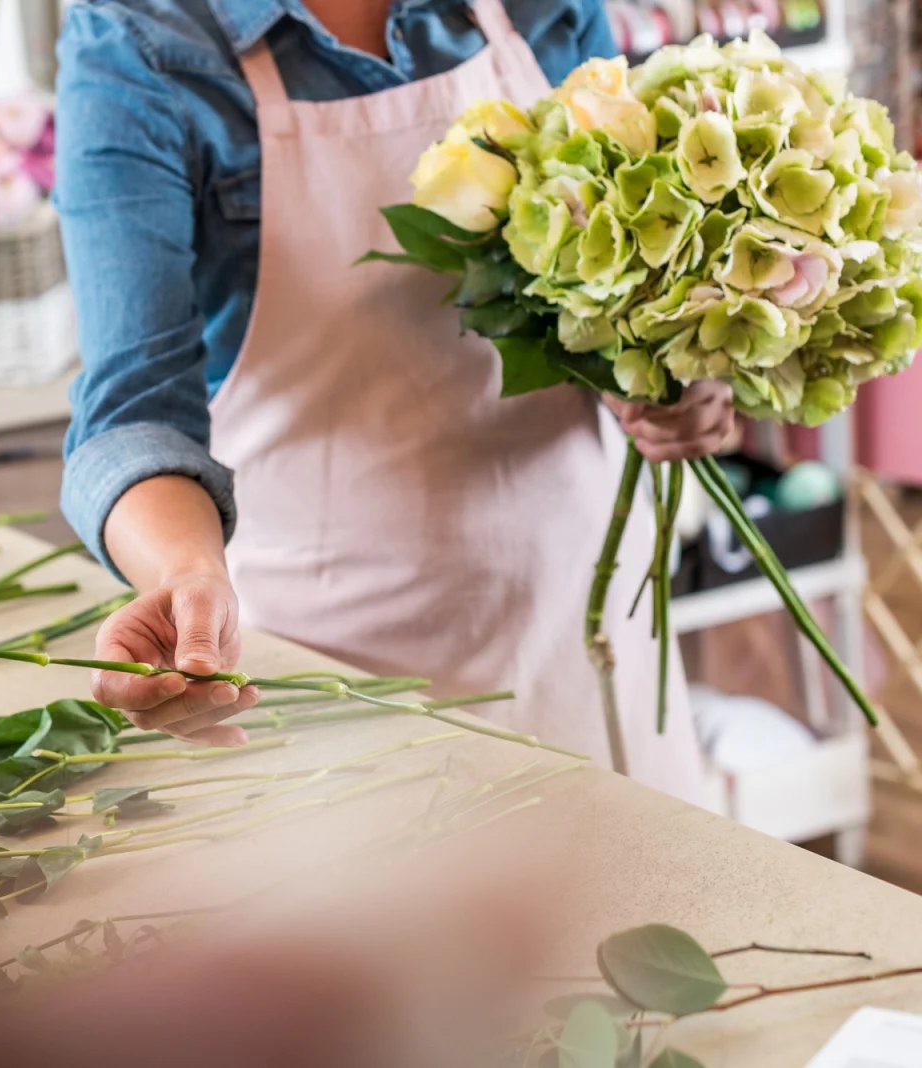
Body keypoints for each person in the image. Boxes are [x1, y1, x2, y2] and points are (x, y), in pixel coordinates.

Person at [55, 0, 733, 799]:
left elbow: (616, 274)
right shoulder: (145, 39)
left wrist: (675, 368)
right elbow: (132, 410)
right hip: (335, 679)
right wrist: (185, 571)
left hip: (589, 623)